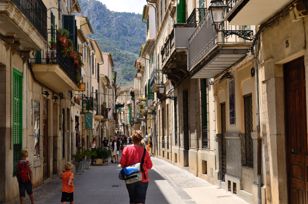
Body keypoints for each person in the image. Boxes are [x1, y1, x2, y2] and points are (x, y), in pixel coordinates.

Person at [120, 130, 153, 204]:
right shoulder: (145, 151)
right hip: (143, 179)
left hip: (130, 178)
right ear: (140, 139)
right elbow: (150, 166)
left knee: (132, 200)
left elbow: (122, 163)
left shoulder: (126, 149)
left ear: (132, 139)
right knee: (141, 201)